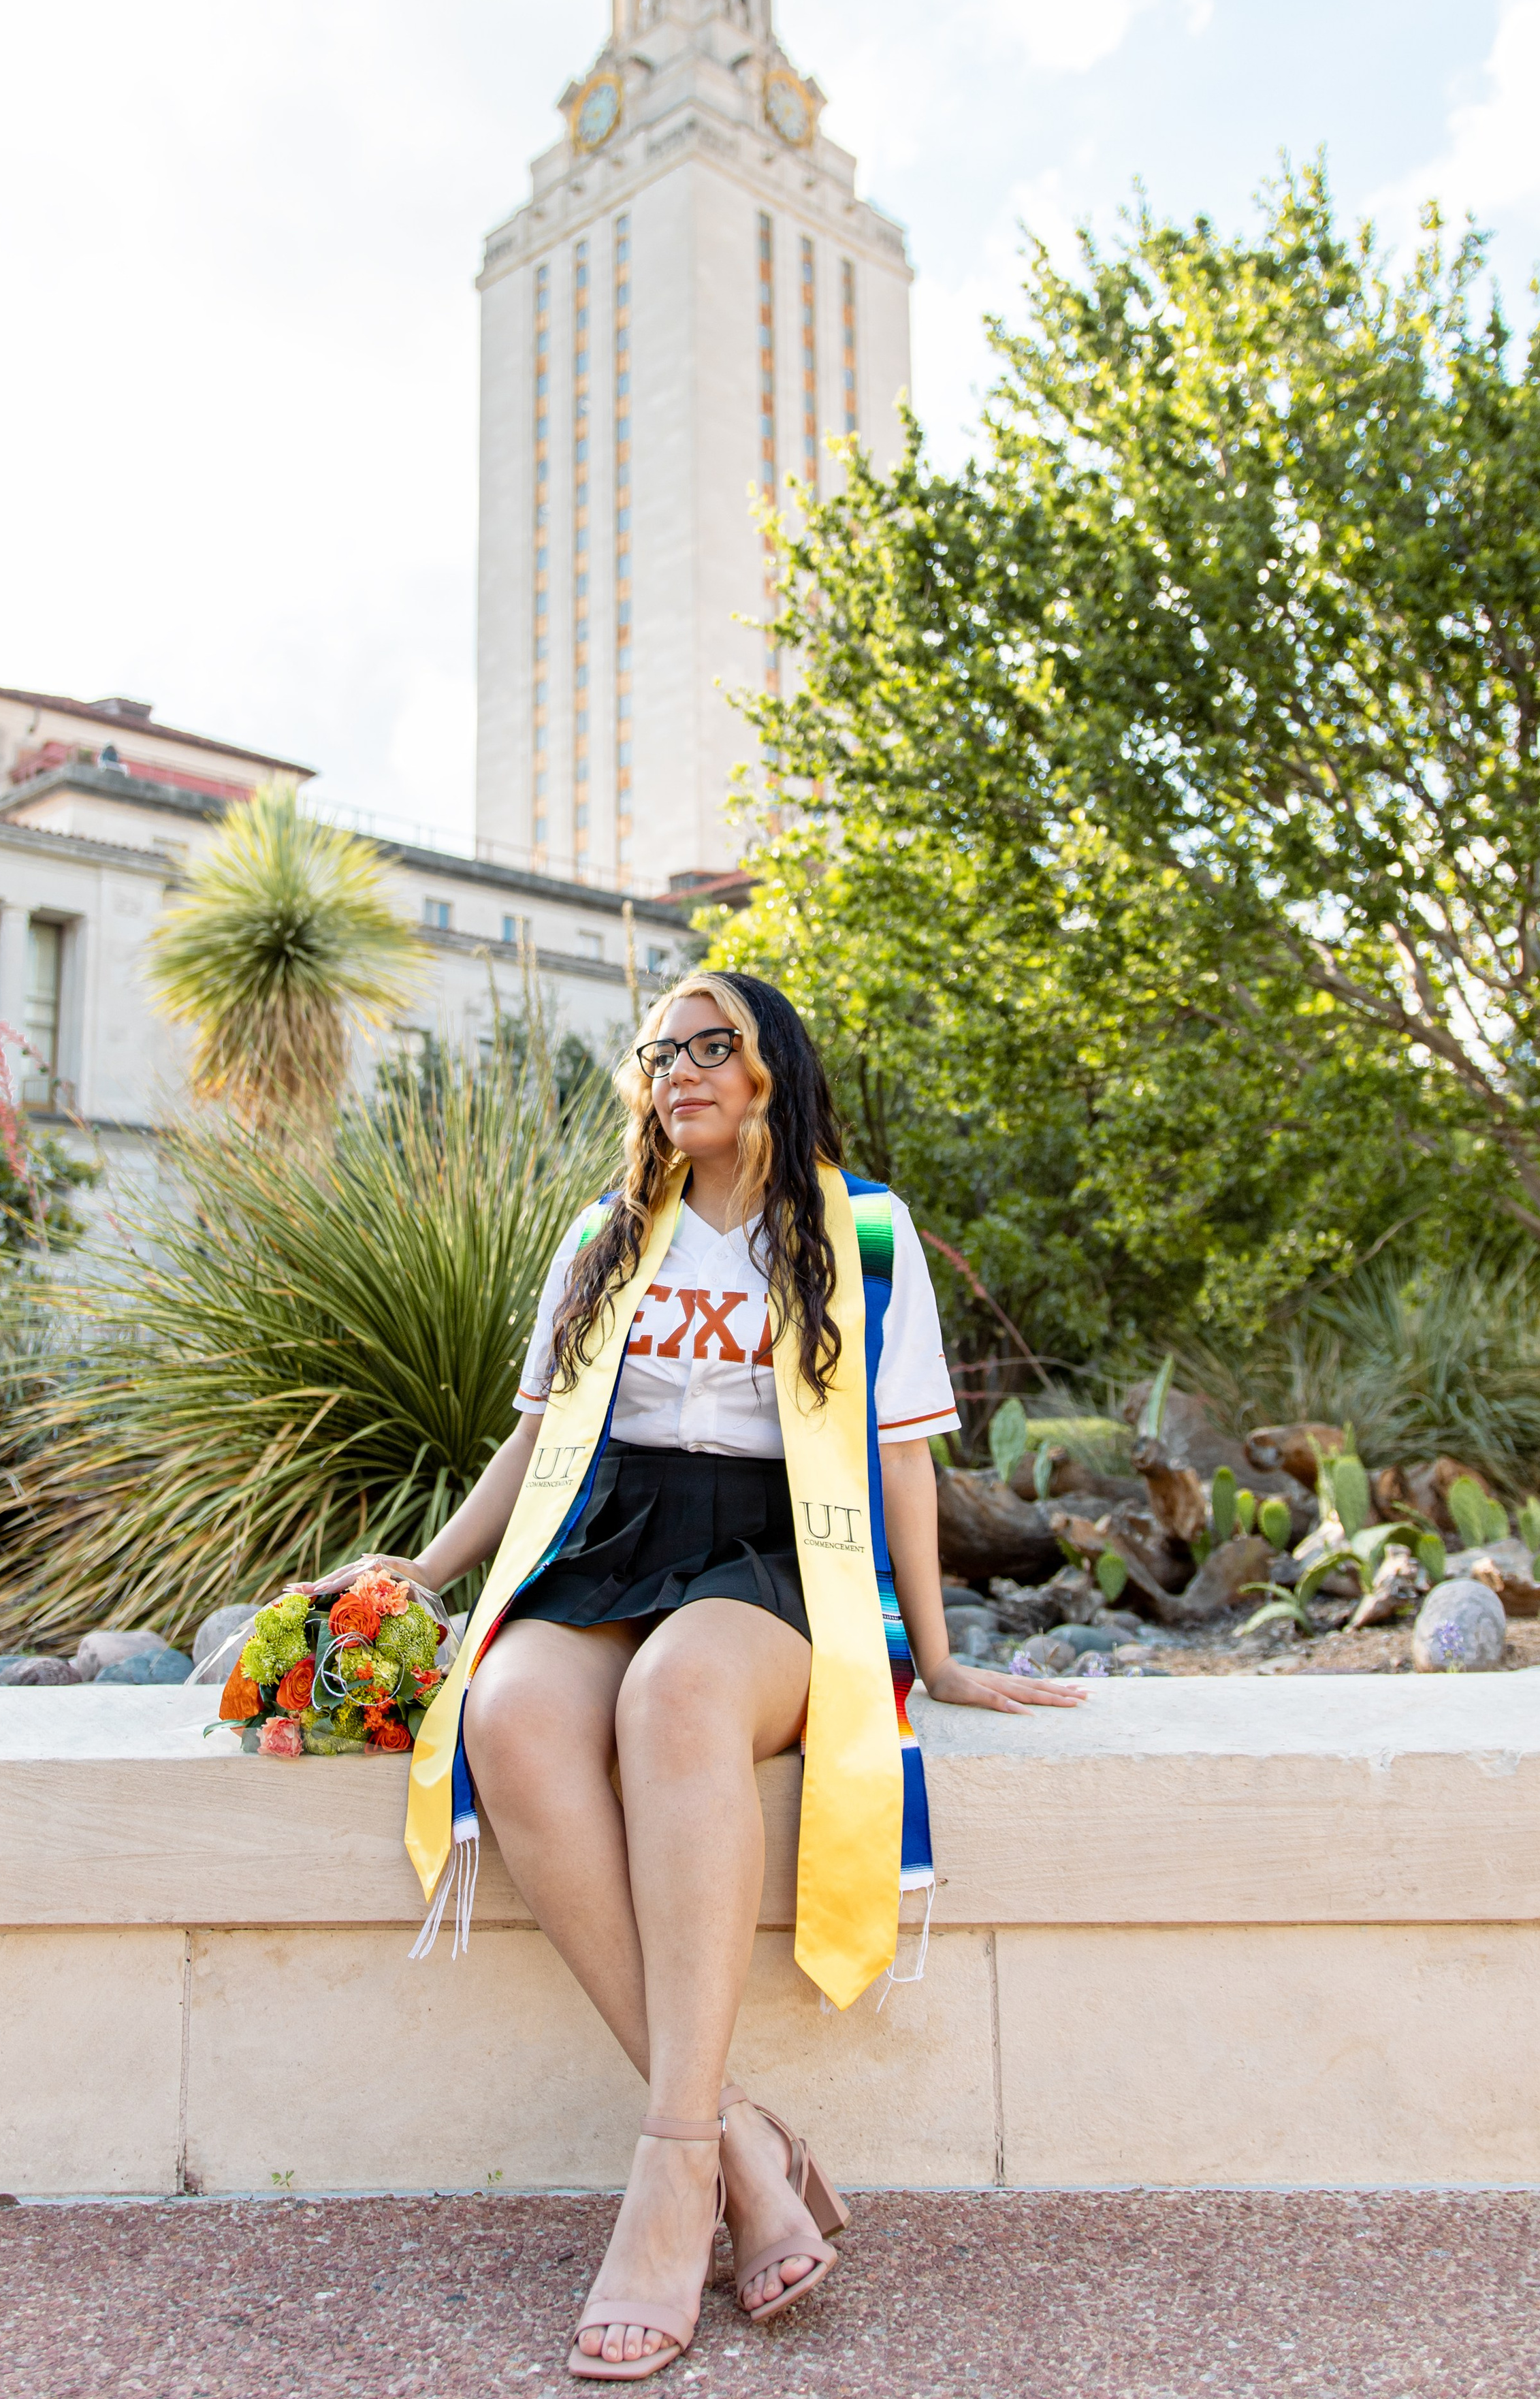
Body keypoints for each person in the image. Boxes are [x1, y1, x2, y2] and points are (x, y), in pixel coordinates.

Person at [383, 972, 1082, 2380]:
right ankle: (741, 2141)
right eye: (657, 1053)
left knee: (677, 1698)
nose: (678, 1071)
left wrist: (934, 1656)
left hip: (776, 1555)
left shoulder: (861, 1232)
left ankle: (663, 2175)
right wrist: (423, 1573)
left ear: (772, 1067)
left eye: (711, 1045)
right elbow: (534, 1438)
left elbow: (899, 1452)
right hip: (612, 1531)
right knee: (512, 1713)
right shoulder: (603, 1234)